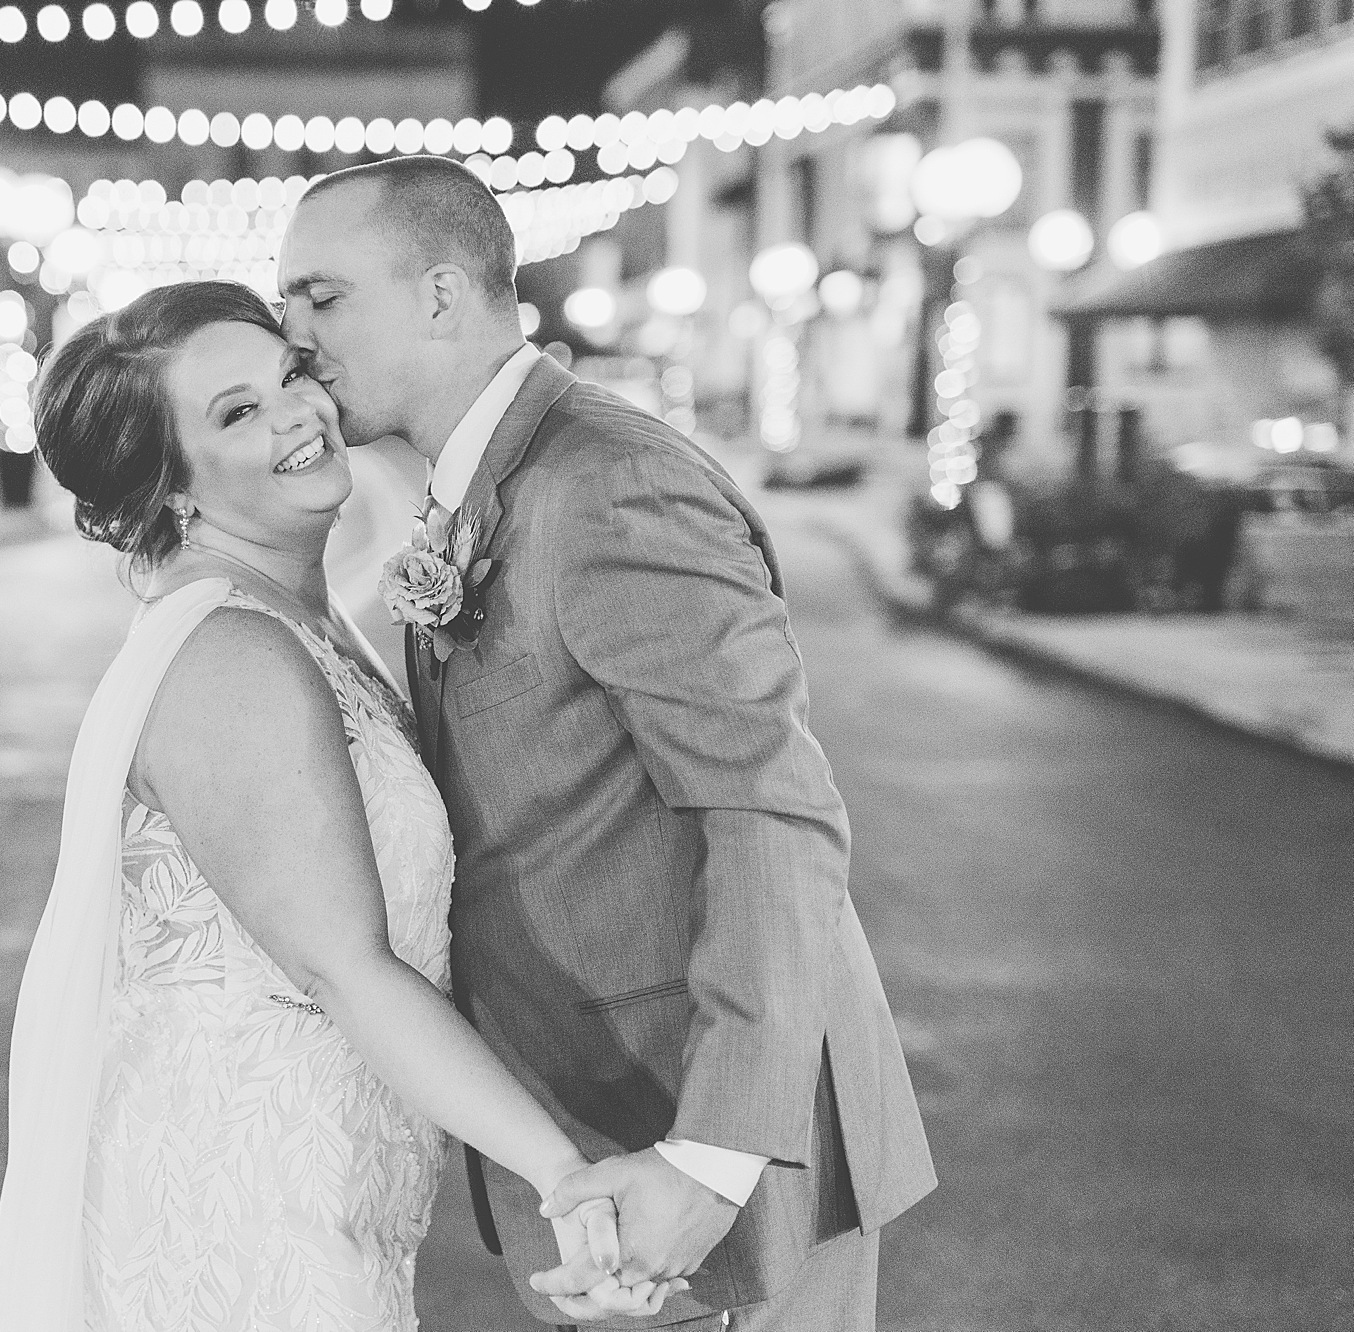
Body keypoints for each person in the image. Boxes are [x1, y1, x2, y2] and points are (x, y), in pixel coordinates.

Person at [277, 155, 937, 1332]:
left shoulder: (610, 483)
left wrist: (713, 1156)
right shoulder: (483, 482)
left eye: (321, 298)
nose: (295, 338)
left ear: (440, 294)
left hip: (708, 1137)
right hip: (603, 1127)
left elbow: (767, 811)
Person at [0, 280, 683, 1331]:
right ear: (171, 488)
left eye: (291, 374)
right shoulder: (229, 657)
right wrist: (566, 1177)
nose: (297, 413)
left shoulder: (297, 616)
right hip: (244, 1211)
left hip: (332, 1179)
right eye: (237, 413)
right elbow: (342, 966)